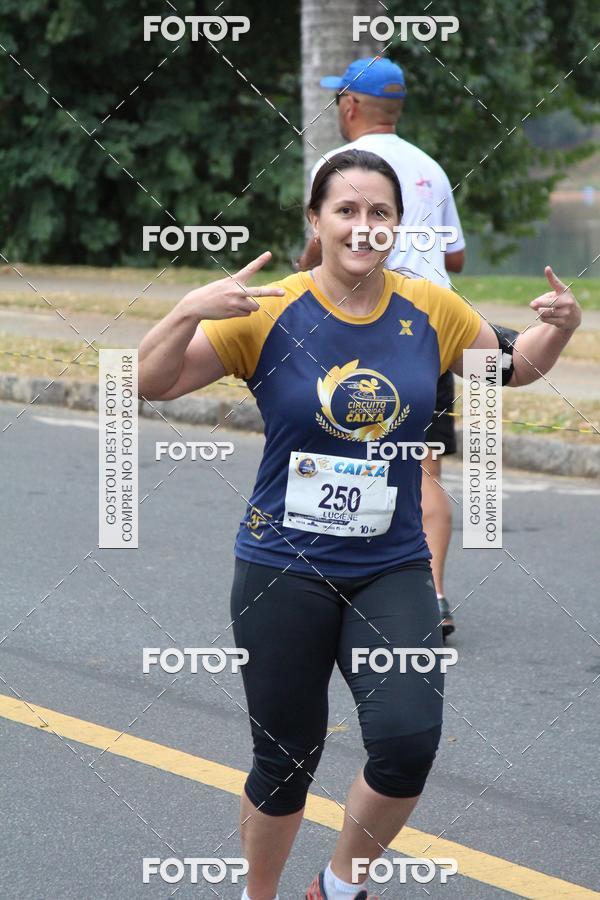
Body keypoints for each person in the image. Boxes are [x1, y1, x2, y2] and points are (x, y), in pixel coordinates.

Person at [137, 150, 581, 900]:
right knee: (285, 760)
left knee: (408, 743)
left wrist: (560, 329)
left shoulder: (429, 308)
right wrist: (186, 310)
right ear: (316, 220)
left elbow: (510, 369)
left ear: (397, 227)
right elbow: (150, 383)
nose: (364, 227)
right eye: (347, 211)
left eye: (380, 213)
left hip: (392, 565)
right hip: (283, 567)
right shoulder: (270, 309)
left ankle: (339, 887)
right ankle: (259, 894)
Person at [298, 56, 466, 639]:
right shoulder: (432, 168)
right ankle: (432, 594)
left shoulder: (340, 165)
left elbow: (320, 251)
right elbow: (456, 259)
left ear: (348, 106)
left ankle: (332, 578)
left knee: (331, 450)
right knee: (422, 467)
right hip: (427, 333)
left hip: (352, 326)